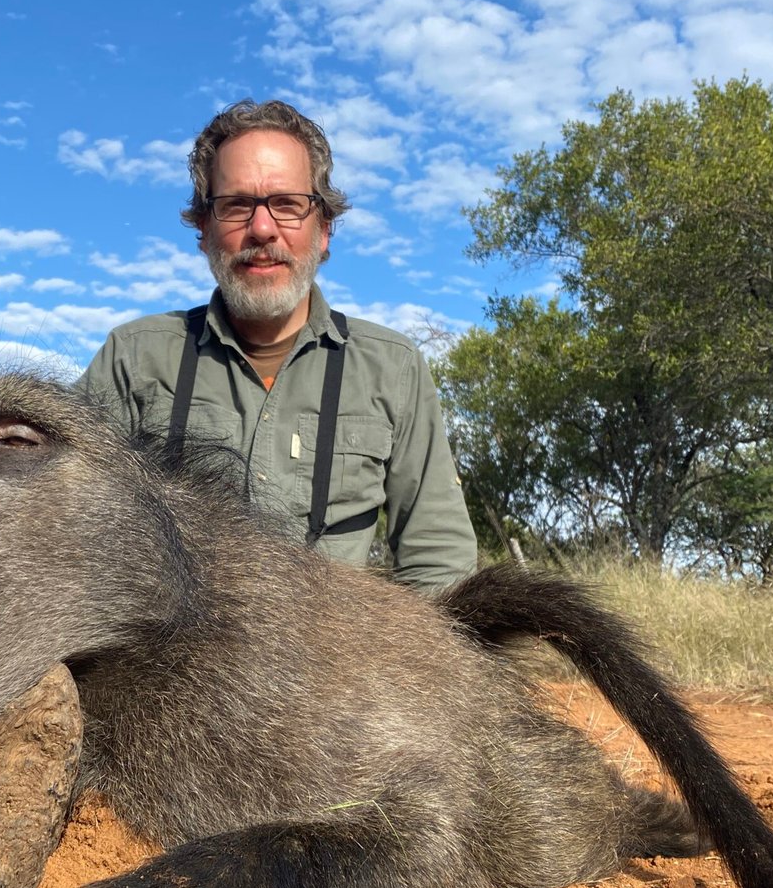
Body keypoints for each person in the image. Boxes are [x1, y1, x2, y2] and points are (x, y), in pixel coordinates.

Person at [79, 99, 477, 592]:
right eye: (236, 205)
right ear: (203, 230)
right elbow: (62, 527)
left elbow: (439, 563)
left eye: (287, 204)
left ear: (323, 229)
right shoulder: (133, 356)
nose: (262, 229)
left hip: (336, 641)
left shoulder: (394, 368)